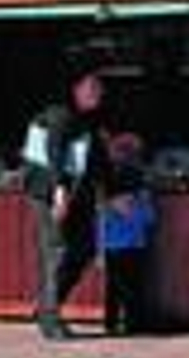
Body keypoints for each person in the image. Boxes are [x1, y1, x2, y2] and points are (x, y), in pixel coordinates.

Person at [23, 65, 108, 341]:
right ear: (76, 89)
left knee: (85, 249)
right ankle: (50, 319)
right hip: (49, 192)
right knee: (58, 250)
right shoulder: (60, 114)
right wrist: (59, 190)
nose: (97, 93)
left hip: (77, 193)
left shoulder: (89, 120)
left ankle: (46, 304)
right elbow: (54, 152)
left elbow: (96, 161)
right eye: (91, 88)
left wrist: (111, 194)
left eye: (99, 89)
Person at [99, 131, 155, 337]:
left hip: (113, 243)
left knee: (114, 286)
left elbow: (101, 217)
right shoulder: (141, 185)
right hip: (134, 242)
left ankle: (111, 324)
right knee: (133, 285)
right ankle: (133, 323)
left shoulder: (105, 185)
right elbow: (150, 218)